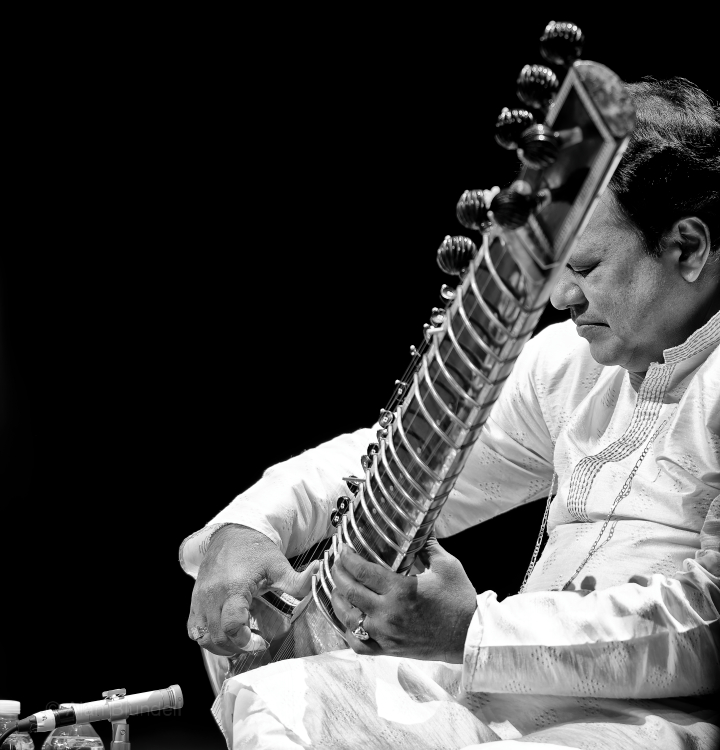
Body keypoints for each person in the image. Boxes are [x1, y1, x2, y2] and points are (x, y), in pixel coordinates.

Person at [180, 78, 720, 749]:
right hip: (498, 695)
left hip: (648, 724)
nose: (561, 297)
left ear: (687, 247)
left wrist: (473, 631)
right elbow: (405, 456)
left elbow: (712, 624)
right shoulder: (571, 364)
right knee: (280, 697)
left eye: (585, 266)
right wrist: (252, 525)